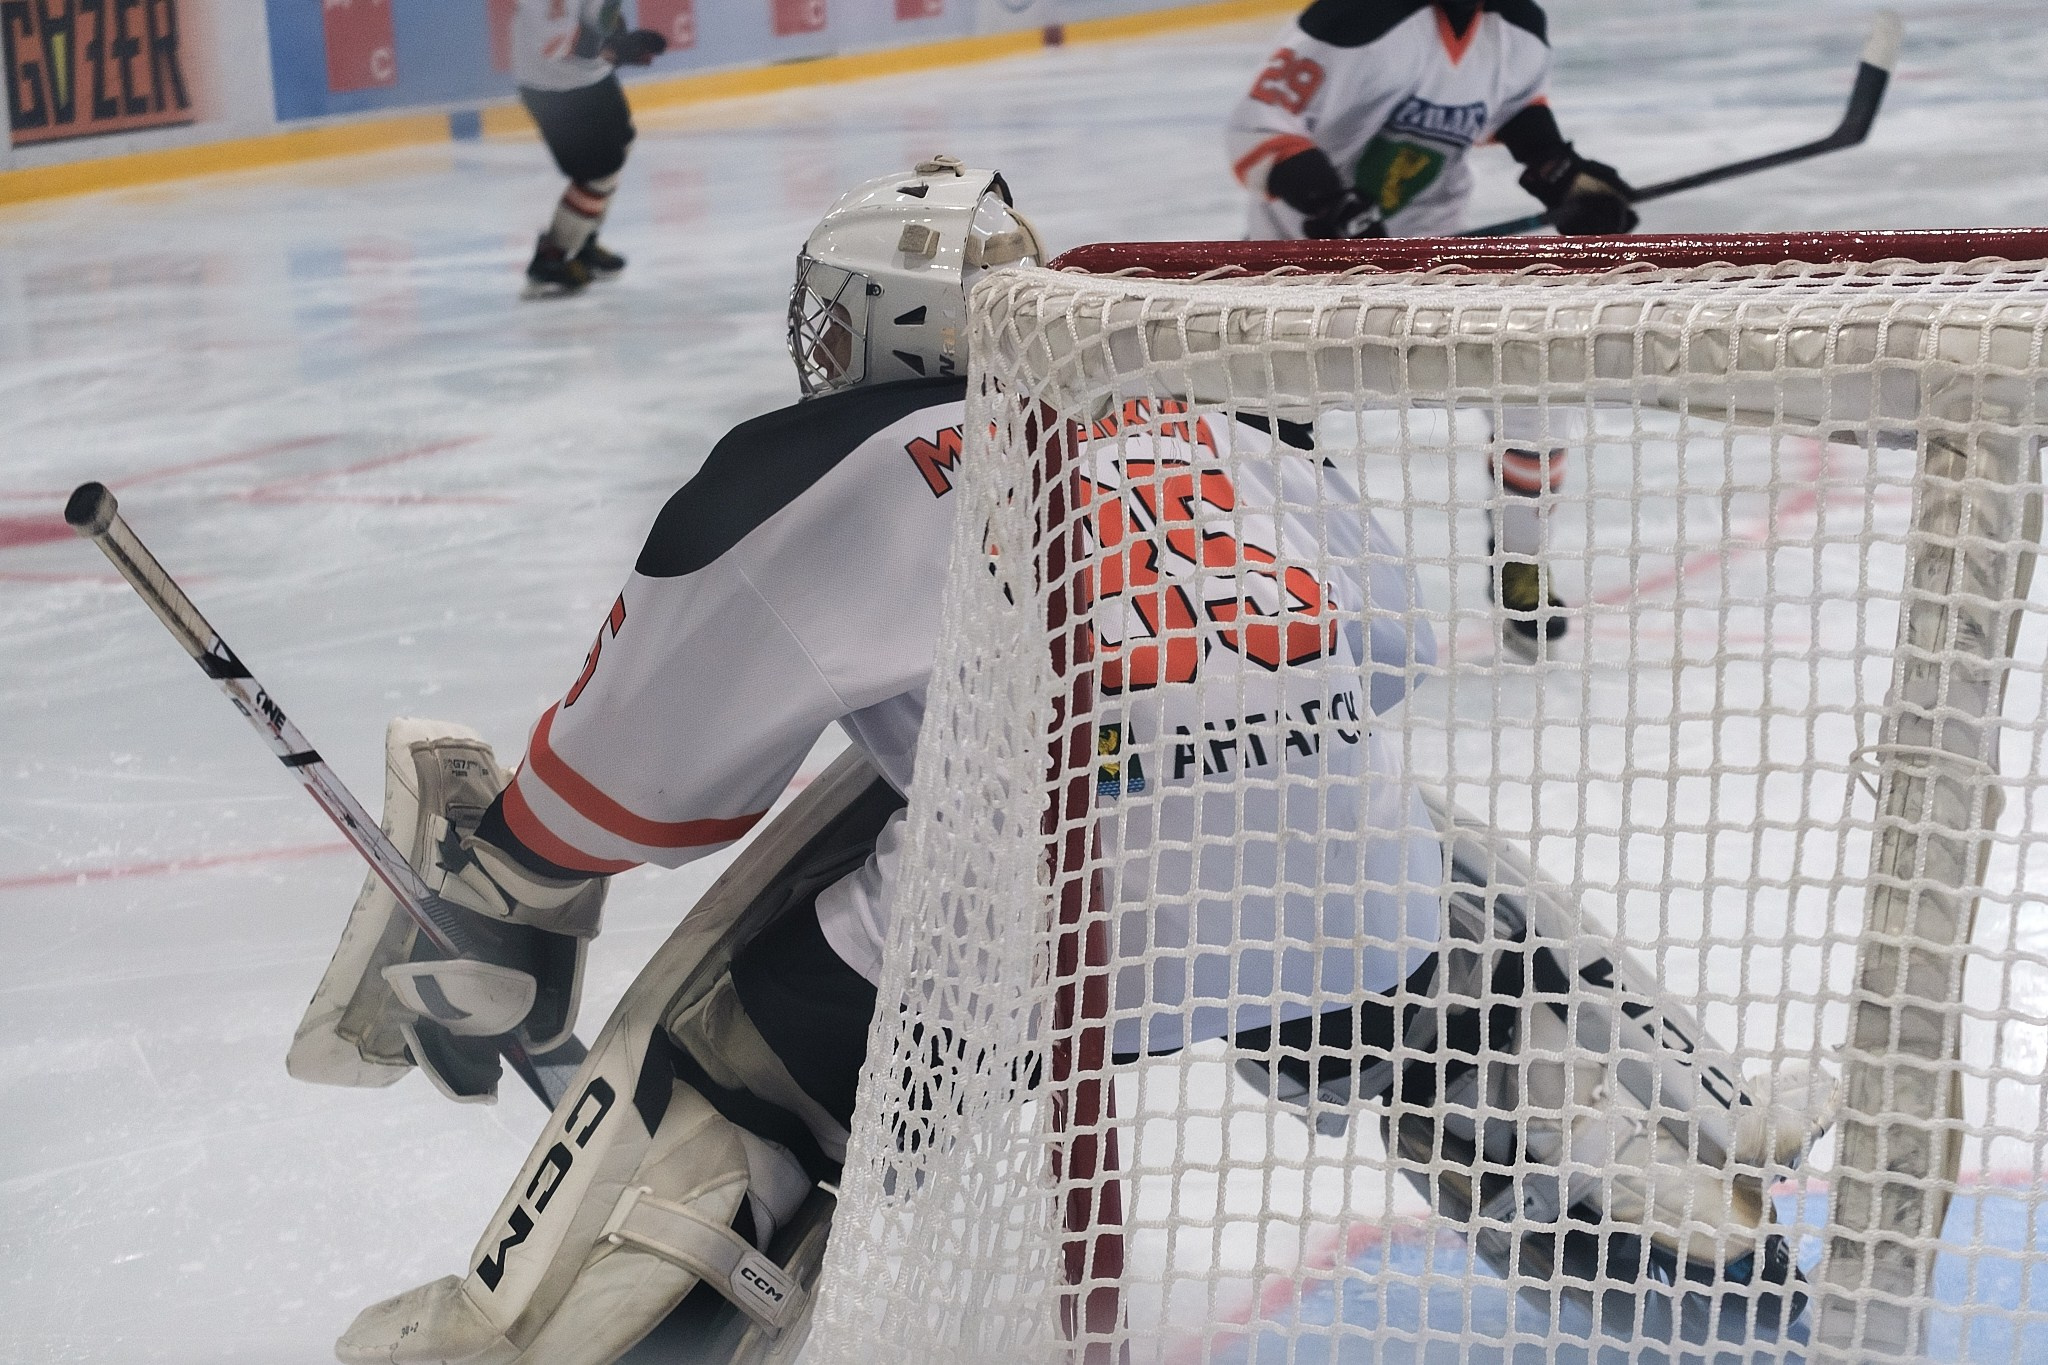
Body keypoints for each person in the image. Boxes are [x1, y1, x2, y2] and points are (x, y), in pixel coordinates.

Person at [292, 160, 1813, 1364]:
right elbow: (1388, 651)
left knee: (732, 1065)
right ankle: (1702, 1259)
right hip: (1336, 884)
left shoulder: (825, 461)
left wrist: (501, 897)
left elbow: (612, 800)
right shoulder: (1216, 424)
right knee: (1436, 941)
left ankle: (585, 1323)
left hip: (1029, 940)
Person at [1226, 0, 1636, 651]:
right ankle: (1266, 585)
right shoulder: (1354, 19)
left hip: (1429, 267)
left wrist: (1567, 183)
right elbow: (1254, 130)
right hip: (1303, 280)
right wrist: (1331, 204)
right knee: (1263, 436)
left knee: (1536, 376)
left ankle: (1520, 563)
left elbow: (1520, 114)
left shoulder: (1516, 25)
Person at [513, 0, 667, 297]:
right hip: (552, 86)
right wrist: (615, 50)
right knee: (600, 170)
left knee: (622, 145)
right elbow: (556, 40)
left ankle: (581, 237)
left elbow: (596, 18)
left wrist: (619, 44)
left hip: (588, 75)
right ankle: (551, 258)